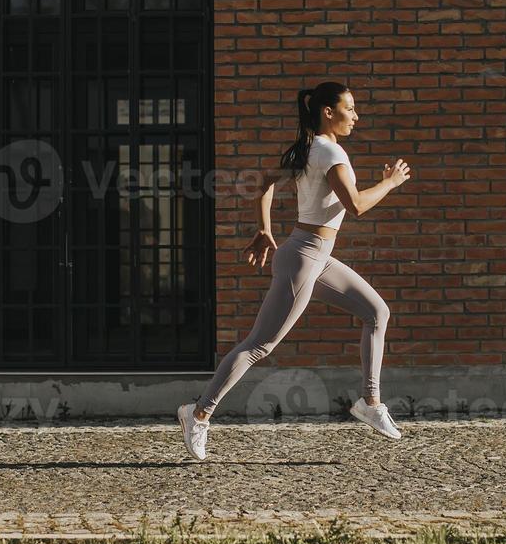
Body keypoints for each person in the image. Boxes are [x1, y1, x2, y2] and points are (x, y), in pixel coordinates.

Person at [177, 81, 413, 460]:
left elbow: (266, 184)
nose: (356, 116)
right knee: (259, 345)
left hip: (316, 257)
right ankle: (199, 413)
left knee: (377, 312)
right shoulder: (329, 152)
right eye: (350, 109)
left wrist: (265, 228)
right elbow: (356, 206)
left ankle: (370, 402)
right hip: (304, 259)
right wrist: (390, 182)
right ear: (328, 113)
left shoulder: (311, 148)